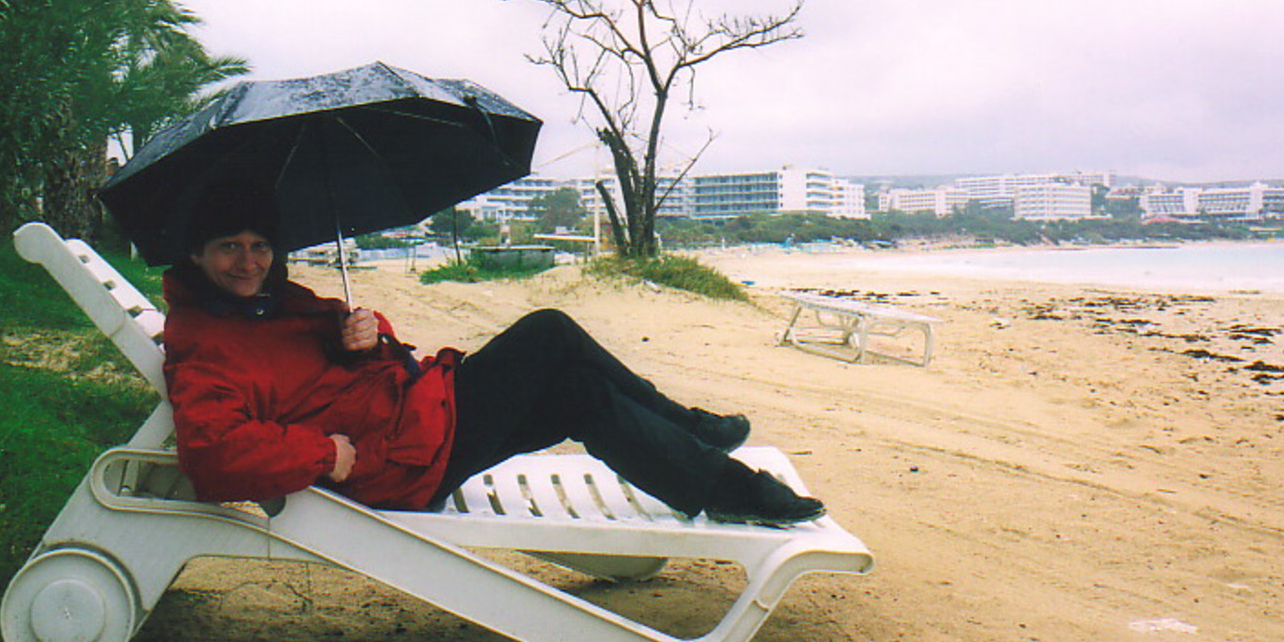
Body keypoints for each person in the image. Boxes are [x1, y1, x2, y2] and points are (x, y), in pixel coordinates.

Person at [160, 183, 825, 526]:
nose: (248, 261)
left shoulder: (277, 301)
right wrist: (323, 454)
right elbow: (212, 454)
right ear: (196, 253)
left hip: (419, 415)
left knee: (579, 393)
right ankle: (692, 430)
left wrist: (365, 331)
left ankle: (724, 488)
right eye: (229, 246)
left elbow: (347, 347)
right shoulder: (205, 345)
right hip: (394, 460)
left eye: (259, 245)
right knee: (549, 331)